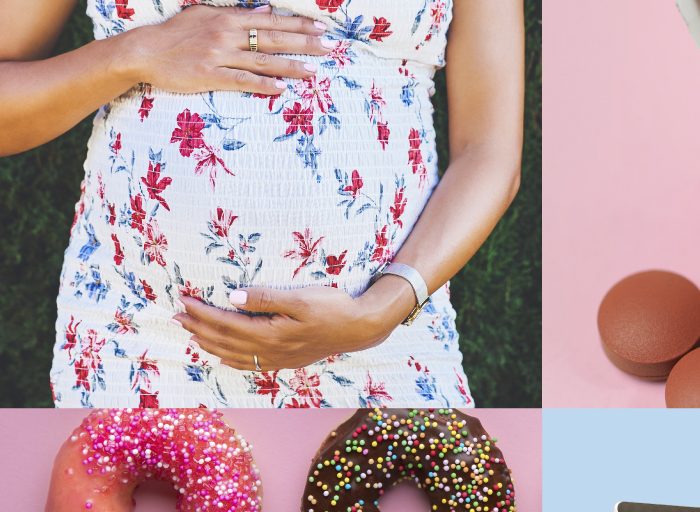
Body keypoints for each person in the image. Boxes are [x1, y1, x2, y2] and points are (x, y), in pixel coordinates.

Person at [0, 0, 522, 407]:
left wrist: (381, 311)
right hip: (138, 339)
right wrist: (134, 53)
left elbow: (490, 151)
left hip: (383, 347)